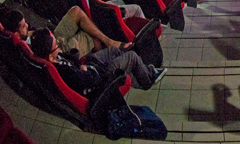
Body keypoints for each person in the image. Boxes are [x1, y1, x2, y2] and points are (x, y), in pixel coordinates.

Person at [30, 28, 166, 93]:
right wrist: (83, 69)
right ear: (49, 57)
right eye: (57, 45)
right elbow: (88, 80)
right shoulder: (63, 71)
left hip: (90, 65)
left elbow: (72, 61)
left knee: (113, 50)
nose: (59, 44)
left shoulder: (54, 58)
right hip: (100, 78)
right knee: (131, 56)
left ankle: (142, 72)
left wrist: (79, 63)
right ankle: (148, 80)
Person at [1, 9, 131, 57]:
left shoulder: (14, 35)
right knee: (91, 34)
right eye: (24, 26)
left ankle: (108, 43)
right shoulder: (24, 47)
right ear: (16, 34)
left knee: (76, 11)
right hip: (56, 50)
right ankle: (104, 55)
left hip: (52, 36)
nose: (27, 26)